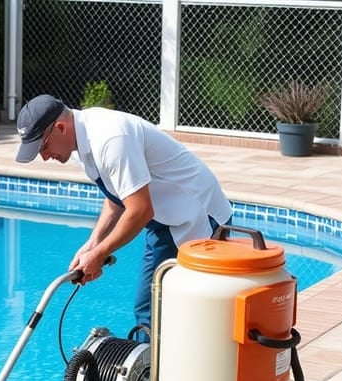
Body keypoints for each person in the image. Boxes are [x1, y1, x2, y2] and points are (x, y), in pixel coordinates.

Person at [14, 93, 233, 338]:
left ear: (60, 128)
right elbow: (117, 196)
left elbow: (140, 210)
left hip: (199, 216)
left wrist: (99, 254)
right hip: (166, 220)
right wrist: (93, 243)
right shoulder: (81, 142)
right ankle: (149, 362)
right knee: (148, 309)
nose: (44, 157)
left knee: (190, 312)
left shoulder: (110, 140)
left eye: (43, 147)